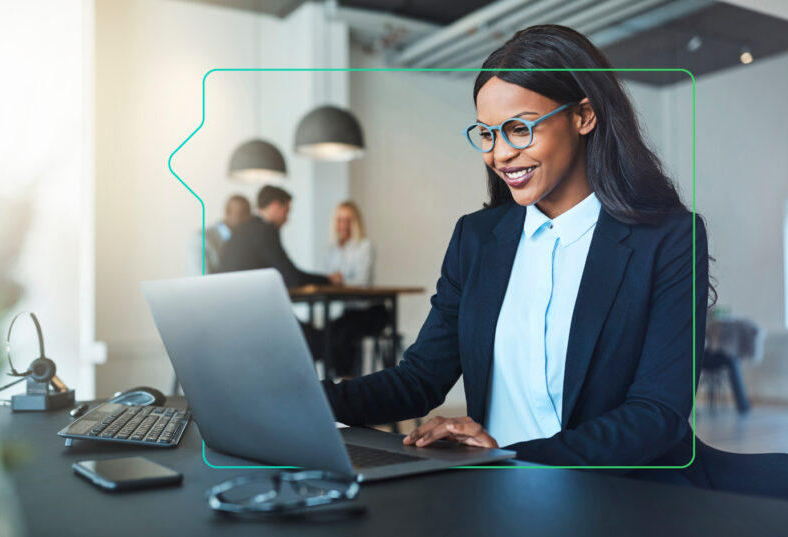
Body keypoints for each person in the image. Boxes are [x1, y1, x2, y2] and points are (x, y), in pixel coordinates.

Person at [320, 25, 713, 486]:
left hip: (611, 495)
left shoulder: (668, 239)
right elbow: (420, 379)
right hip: (498, 492)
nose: (501, 153)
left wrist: (511, 458)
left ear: (584, 115)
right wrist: (304, 399)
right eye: (487, 134)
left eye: (519, 128)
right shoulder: (476, 237)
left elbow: (656, 414)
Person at [219, 185, 341, 287]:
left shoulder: (247, 228)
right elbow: (291, 277)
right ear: (275, 206)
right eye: (286, 212)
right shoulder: (263, 231)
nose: (287, 219)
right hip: (244, 303)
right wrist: (328, 280)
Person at [326, 201, 389, 377]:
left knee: (344, 337)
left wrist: (338, 280)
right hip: (350, 312)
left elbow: (362, 281)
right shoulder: (333, 250)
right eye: (340, 220)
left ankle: (350, 384)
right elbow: (330, 280)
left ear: (356, 222)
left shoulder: (365, 246)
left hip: (371, 312)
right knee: (327, 335)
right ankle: (339, 382)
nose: (343, 225)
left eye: (348, 220)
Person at [187, 194, 251, 275]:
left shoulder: (245, 240)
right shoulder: (201, 239)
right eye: (242, 213)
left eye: (248, 214)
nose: (246, 219)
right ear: (228, 212)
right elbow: (200, 279)